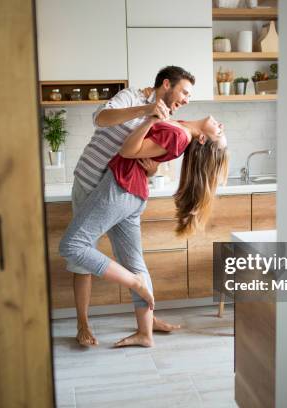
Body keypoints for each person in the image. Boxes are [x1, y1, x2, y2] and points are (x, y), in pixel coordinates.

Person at [59, 115, 228, 347]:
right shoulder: (181, 127)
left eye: (218, 133)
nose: (221, 125)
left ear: (202, 139)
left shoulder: (180, 134)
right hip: (134, 193)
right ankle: (145, 333)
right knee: (135, 262)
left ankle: (134, 282)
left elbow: (129, 150)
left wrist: (149, 119)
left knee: (72, 245)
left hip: (121, 188)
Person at [66, 66, 195, 346]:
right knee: (80, 254)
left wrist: (150, 171)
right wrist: (144, 110)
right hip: (90, 182)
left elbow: (149, 160)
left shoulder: (166, 118)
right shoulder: (131, 96)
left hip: (120, 191)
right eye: (184, 91)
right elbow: (100, 118)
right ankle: (83, 323)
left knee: (134, 259)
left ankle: (147, 321)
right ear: (166, 84)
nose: (186, 99)